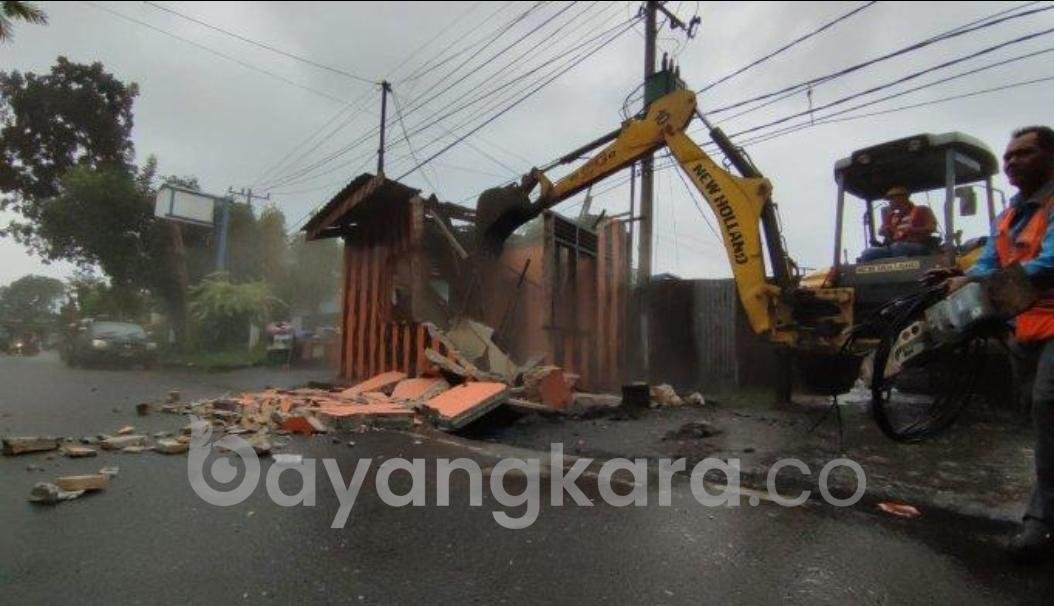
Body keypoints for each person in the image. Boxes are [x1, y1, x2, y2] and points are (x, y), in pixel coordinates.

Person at [942, 125, 1054, 562]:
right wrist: (961, 279)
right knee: (1040, 422)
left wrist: (979, 283)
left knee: (1048, 407)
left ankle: (1040, 526)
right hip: (1025, 330)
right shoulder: (1009, 216)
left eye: (1022, 154)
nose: (1010, 163)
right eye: (1007, 157)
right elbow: (989, 261)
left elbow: (1047, 265)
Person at [858, 186, 939, 262]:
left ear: (903, 198)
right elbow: (881, 231)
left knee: (899, 247)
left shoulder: (922, 210)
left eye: (891, 199)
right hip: (893, 248)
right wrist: (884, 231)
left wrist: (912, 230)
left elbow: (932, 228)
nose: (889, 202)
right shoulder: (891, 216)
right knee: (867, 253)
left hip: (918, 245)